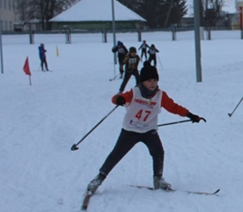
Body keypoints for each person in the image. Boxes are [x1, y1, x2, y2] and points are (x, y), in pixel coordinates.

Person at [86, 64, 205, 195]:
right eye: (149, 80)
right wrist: (119, 99)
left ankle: (158, 179)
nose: (152, 83)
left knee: (158, 152)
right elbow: (115, 99)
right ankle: (99, 179)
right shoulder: (134, 92)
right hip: (130, 131)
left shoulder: (160, 95)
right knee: (116, 154)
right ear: (142, 81)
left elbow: (173, 107)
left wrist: (190, 115)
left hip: (149, 131)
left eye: (155, 80)